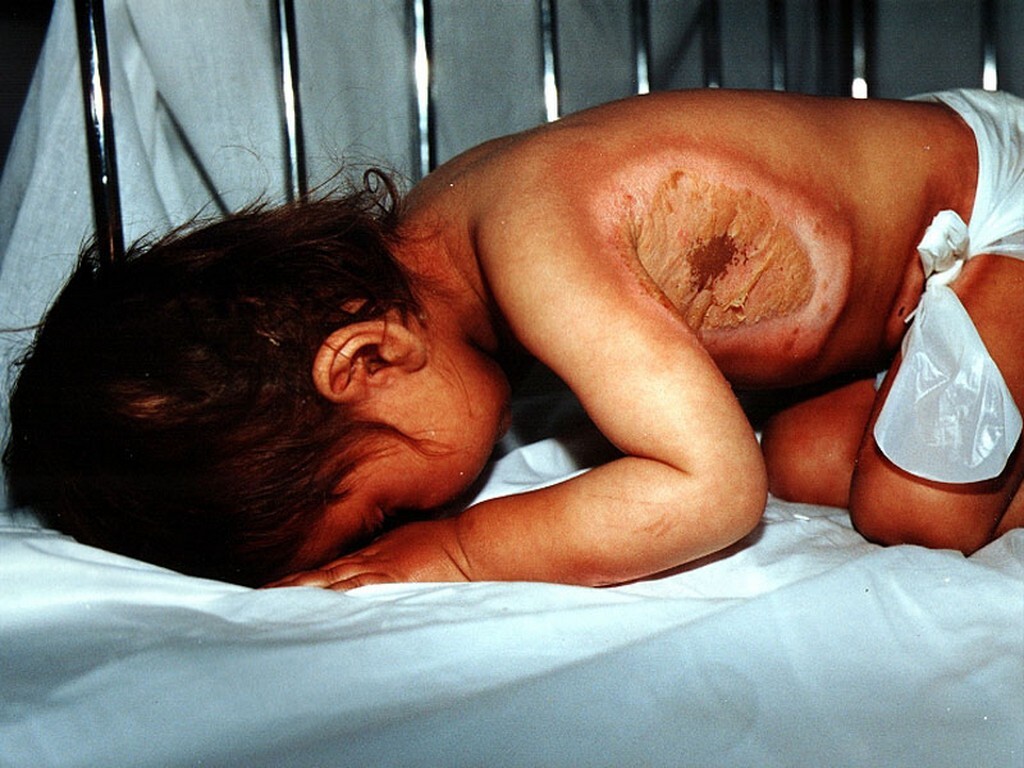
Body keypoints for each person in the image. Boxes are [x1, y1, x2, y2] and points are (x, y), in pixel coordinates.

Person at [5, 88, 1024, 590]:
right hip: (915, 300)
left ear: (366, 359)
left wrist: (455, 550)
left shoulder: (537, 244)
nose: (419, 514)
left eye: (382, 506)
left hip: (998, 216)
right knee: (802, 455)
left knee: (915, 513)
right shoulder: (445, 239)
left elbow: (710, 490)